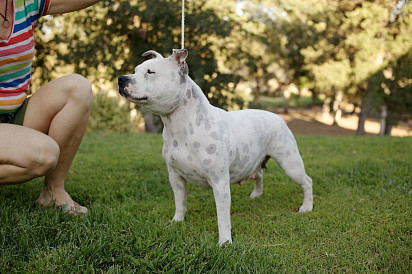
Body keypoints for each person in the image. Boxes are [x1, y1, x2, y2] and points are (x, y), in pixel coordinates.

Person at [0, 0, 101, 214]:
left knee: (78, 88)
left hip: (14, 116)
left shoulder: (25, 4)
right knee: (44, 154)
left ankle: (53, 191)